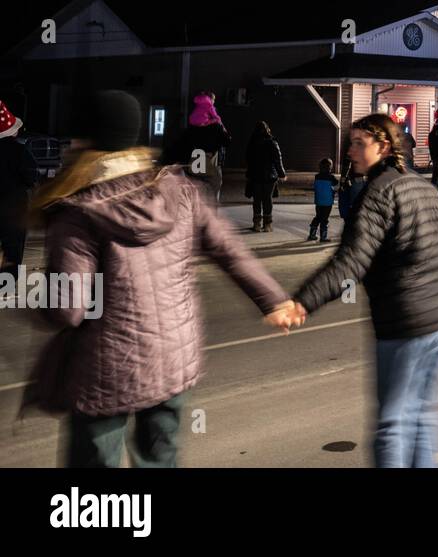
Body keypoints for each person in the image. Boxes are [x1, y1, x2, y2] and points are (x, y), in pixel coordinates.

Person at [24, 90, 294, 466]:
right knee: (160, 458)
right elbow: (229, 250)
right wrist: (274, 300)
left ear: (85, 141)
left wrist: (30, 297)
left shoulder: (77, 211)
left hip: (105, 369)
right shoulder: (181, 191)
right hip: (173, 358)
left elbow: (68, 309)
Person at [292, 113, 438, 467]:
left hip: (405, 325)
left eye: (359, 143)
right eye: (350, 143)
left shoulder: (377, 193)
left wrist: (302, 302)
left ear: (383, 146)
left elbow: (350, 262)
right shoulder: (420, 185)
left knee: (392, 426)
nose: (350, 151)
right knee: (422, 418)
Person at [164, 92, 232, 204]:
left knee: (196, 193)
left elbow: (183, 145)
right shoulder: (216, 126)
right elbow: (227, 142)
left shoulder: (192, 126)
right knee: (212, 193)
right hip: (210, 161)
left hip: (195, 162)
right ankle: (209, 217)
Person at [0, 99, 40, 282]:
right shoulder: (19, 151)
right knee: (13, 245)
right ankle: (7, 281)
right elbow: (31, 177)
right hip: (14, 204)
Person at [244, 121, 287, 233]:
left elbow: (248, 160)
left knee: (257, 200)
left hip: (255, 176)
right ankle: (267, 225)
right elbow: (278, 160)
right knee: (267, 199)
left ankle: (256, 224)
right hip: (270, 176)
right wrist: (282, 174)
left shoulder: (252, 143)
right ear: (268, 130)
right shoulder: (272, 143)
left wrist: (249, 173)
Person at [309, 158, 339, 243]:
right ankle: (323, 237)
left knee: (318, 216)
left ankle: (312, 234)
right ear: (329, 167)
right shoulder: (331, 177)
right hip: (327, 202)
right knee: (324, 219)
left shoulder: (317, 176)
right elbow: (336, 183)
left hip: (318, 201)